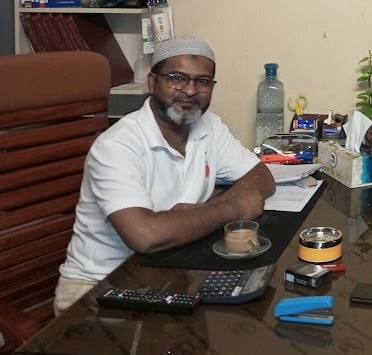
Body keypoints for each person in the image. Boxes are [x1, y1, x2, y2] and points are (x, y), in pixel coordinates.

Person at [54, 37, 275, 315]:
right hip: (98, 287)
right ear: (152, 82)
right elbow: (145, 236)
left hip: (169, 273)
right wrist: (232, 208)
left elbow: (261, 176)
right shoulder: (117, 145)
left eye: (203, 81)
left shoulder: (209, 126)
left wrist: (207, 210)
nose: (190, 90)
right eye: (176, 78)